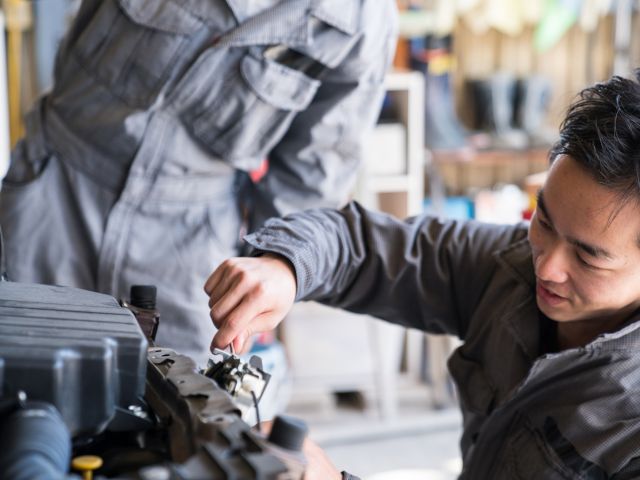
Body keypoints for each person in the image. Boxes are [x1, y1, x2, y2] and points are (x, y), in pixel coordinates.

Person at [205, 71, 640, 479]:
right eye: (543, 221)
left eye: (588, 257)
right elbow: (361, 245)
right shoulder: (511, 268)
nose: (546, 266)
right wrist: (285, 267)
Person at [0, 0, 397, 363]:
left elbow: (309, 177)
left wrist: (272, 265)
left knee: (175, 412)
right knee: (18, 377)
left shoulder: (356, 18)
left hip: (190, 249)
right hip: (54, 195)